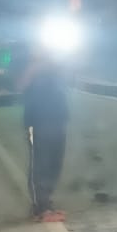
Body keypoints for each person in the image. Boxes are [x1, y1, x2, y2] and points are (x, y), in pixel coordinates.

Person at [21, 48, 69, 222]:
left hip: (58, 119)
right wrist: (35, 66)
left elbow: (68, 81)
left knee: (55, 164)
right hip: (38, 122)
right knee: (40, 164)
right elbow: (20, 85)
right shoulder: (30, 62)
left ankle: (47, 203)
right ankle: (39, 208)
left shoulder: (57, 65)